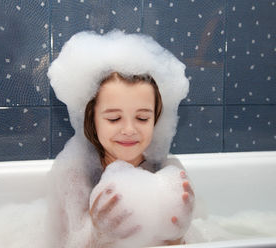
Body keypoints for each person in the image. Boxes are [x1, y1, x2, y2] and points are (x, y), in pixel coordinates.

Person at [46, 30, 193, 248]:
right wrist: (96, 237)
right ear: (92, 119)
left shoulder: (166, 172)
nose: (129, 129)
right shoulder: (76, 176)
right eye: (114, 118)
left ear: (156, 119)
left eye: (142, 118)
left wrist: (176, 236)